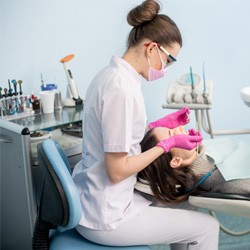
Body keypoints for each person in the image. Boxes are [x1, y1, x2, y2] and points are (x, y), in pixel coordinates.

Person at [72, 0, 219, 249]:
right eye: (169, 60)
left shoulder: (111, 76)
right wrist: (167, 144)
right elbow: (117, 170)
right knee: (207, 228)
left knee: (180, 203)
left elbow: (120, 135)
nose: (166, 69)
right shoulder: (122, 90)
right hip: (108, 217)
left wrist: (161, 124)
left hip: (94, 200)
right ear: (151, 48)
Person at [138, 126, 250, 204]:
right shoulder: (225, 178)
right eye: (172, 134)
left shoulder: (204, 153)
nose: (180, 127)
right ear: (177, 161)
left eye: (172, 128)